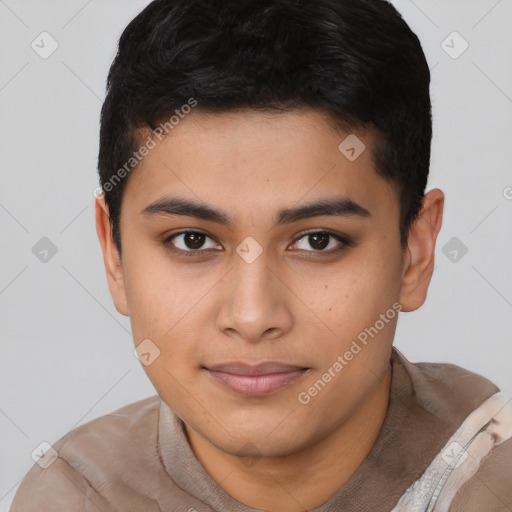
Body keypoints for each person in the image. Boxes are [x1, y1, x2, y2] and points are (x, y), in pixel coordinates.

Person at [10, 0, 512, 510]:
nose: (252, 317)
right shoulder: (74, 497)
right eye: (192, 240)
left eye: (319, 240)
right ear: (113, 253)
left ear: (415, 252)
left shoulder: (492, 477)